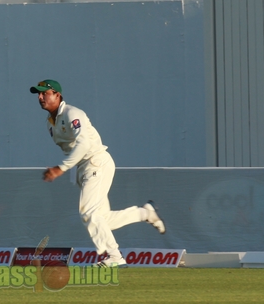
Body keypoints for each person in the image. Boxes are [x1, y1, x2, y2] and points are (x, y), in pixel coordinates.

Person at [31, 79, 165, 267]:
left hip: (96, 162)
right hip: (83, 168)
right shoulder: (50, 123)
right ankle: (144, 213)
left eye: (44, 93)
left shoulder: (72, 113)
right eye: (38, 94)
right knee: (102, 219)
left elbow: (84, 143)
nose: (40, 97)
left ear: (57, 95)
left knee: (88, 212)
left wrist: (61, 168)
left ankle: (114, 256)